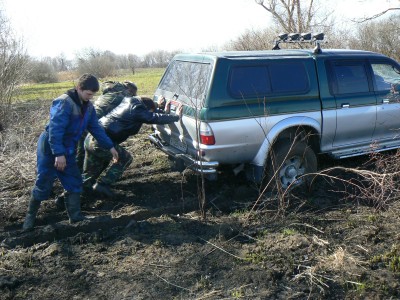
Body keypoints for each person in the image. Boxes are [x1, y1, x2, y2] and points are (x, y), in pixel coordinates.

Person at [22, 74, 119, 231]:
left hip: (67, 148)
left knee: (74, 181)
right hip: (50, 148)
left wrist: (110, 146)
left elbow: (96, 128)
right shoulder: (64, 102)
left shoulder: (88, 107)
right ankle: (30, 217)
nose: (91, 97)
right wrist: (58, 154)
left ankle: (75, 217)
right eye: (88, 93)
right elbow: (55, 130)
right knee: (44, 182)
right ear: (79, 88)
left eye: (93, 94)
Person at [82, 96, 182, 198]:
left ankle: (79, 195)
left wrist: (162, 110)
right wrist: (176, 117)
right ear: (146, 108)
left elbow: (149, 113)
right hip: (102, 142)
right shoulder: (137, 109)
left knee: (90, 173)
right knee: (125, 158)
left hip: (91, 138)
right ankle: (103, 184)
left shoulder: (131, 103)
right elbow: (152, 117)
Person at [76, 80, 138, 170]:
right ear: (130, 90)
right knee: (91, 151)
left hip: (84, 117)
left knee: (81, 150)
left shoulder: (110, 88)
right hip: (93, 123)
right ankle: (79, 177)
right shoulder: (125, 96)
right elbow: (138, 105)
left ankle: (77, 174)